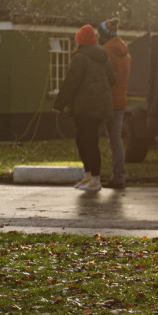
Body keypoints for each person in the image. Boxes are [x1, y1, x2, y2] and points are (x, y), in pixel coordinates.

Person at [53, 24, 117, 192]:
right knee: (85, 140)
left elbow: (70, 83)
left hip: (85, 108)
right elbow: (112, 79)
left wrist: (58, 105)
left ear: (79, 41)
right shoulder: (103, 56)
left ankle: (95, 179)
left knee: (87, 142)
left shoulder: (80, 58)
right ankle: (89, 177)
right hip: (101, 106)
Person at [97, 17, 131, 189]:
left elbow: (103, 78)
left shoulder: (105, 53)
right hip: (120, 101)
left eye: (99, 34)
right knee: (116, 140)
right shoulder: (125, 54)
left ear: (104, 35)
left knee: (90, 136)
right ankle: (119, 176)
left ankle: (91, 175)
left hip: (105, 101)